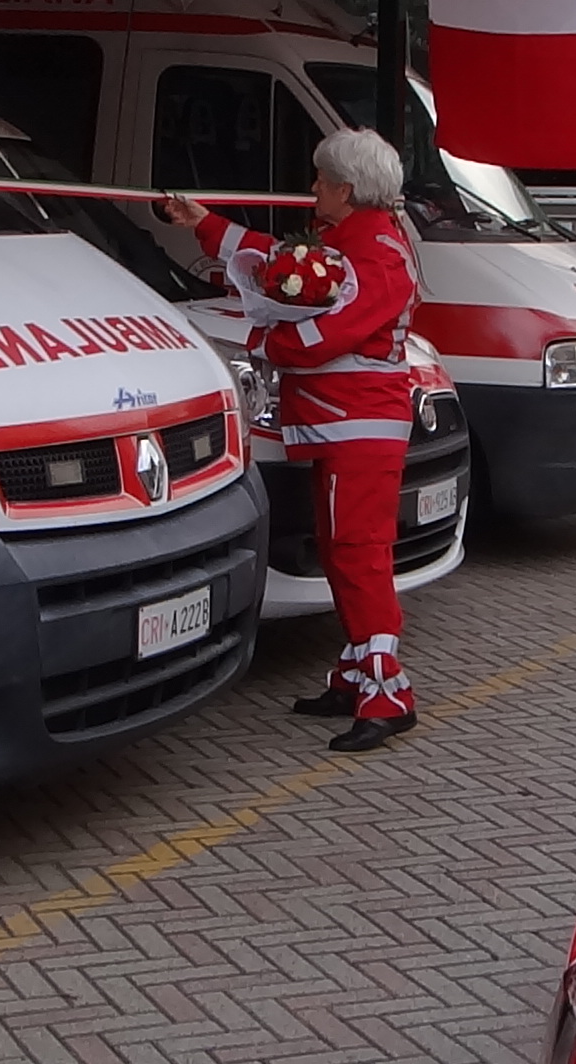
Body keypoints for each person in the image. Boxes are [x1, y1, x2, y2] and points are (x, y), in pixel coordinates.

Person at [163, 128, 422, 752]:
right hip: (346, 426)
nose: (312, 189)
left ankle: (387, 691)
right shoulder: (356, 242)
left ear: (346, 189)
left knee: (358, 554)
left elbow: (321, 331)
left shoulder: (376, 252)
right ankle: (358, 674)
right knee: (343, 552)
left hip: (358, 427)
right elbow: (278, 264)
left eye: (319, 180)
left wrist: (267, 343)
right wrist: (205, 223)